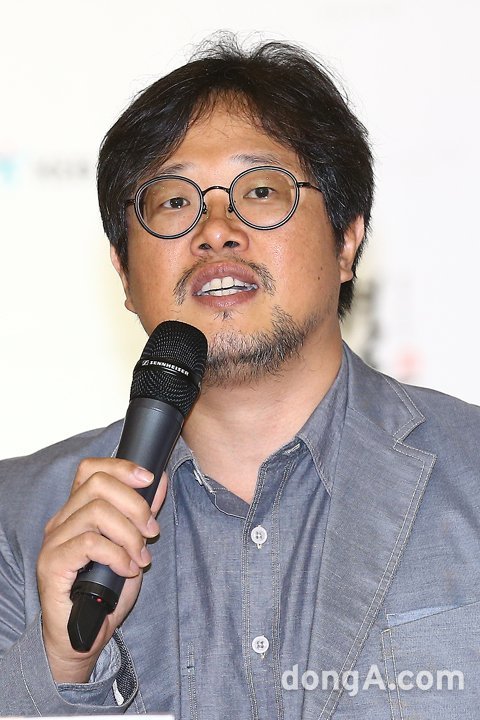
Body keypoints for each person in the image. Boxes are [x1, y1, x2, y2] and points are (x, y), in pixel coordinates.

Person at [0, 33, 479, 720]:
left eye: (259, 191)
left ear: (346, 241)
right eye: (173, 202)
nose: (216, 230)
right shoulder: (15, 525)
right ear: (124, 273)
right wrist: (62, 664)